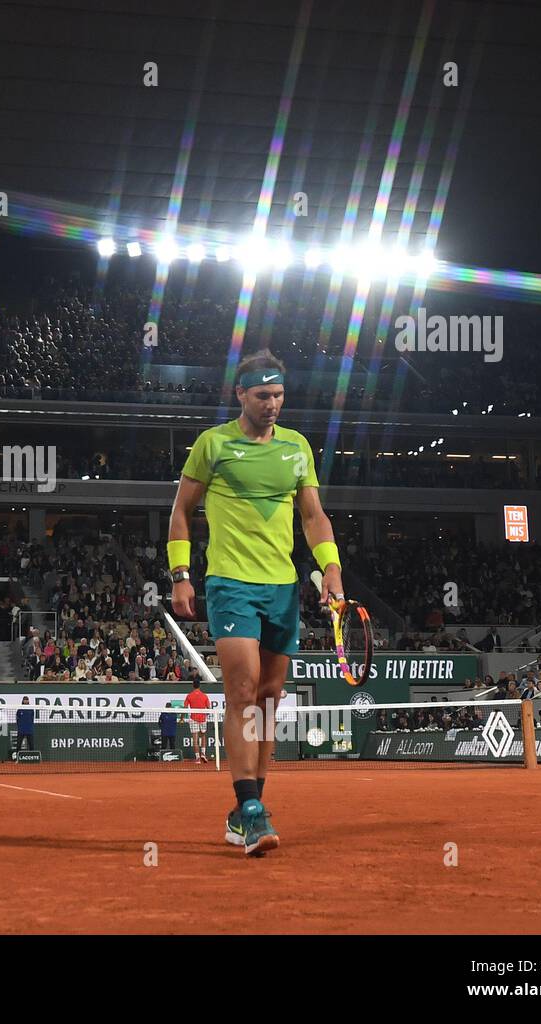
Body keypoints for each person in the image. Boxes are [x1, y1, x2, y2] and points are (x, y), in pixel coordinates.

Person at [169, 349, 338, 857]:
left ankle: (247, 808)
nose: (273, 404)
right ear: (240, 394)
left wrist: (331, 567)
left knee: (268, 698)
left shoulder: (297, 448)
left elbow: (313, 517)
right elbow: (181, 511)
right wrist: (181, 575)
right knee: (241, 689)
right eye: (263, 395)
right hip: (230, 583)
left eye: (279, 395)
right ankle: (250, 809)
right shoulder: (213, 444)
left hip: (282, 588)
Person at [182, 680, 211, 765]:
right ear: (199, 686)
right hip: (203, 719)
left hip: (194, 719)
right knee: (203, 737)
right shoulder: (205, 696)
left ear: (193, 686)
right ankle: (203, 754)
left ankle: (198, 758)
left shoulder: (189, 696)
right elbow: (209, 708)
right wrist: (204, 715)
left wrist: (182, 718)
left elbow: (184, 708)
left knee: (195, 739)